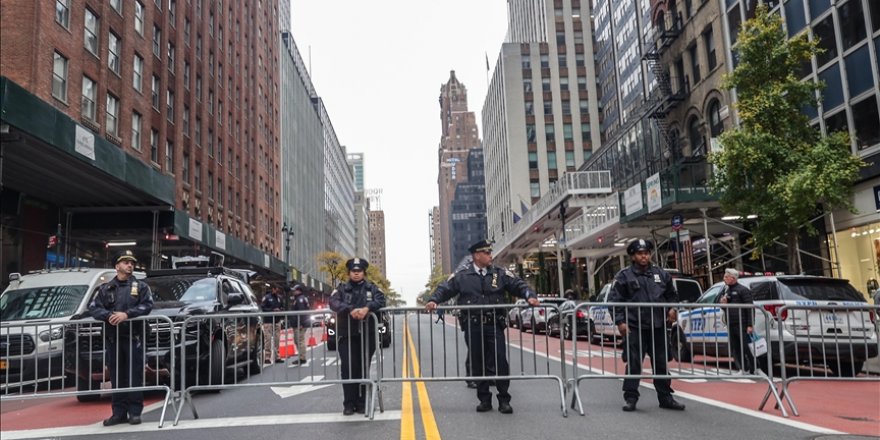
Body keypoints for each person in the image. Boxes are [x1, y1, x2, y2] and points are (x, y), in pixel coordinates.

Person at [425, 239, 539, 414]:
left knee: (500, 361)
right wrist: (433, 300)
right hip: (473, 325)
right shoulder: (462, 275)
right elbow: (445, 288)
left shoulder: (499, 273)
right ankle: (484, 399)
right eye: (486, 253)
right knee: (477, 363)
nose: (490, 256)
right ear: (477, 255)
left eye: (490, 252)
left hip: (494, 324)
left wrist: (529, 295)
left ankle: (504, 399)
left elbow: (518, 284)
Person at [612, 239, 685, 412]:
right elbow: (615, 301)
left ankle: (665, 397)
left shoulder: (661, 274)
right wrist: (620, 321)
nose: (644, 256)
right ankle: (631, 397)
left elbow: (672, 295)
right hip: (634, 326)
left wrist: (673, 309)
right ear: (633, 256)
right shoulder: (624, 276)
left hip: (658, 325)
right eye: (640, 253)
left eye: (646, 253)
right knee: (634, 362)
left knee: (661, 363)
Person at [89, 250, 154, 426]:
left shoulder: (141, 287)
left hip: (134, 338)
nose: (130, 265)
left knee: (134, 376)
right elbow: (93, 307)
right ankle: (118, 413)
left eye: (131, 262)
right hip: (113, 340)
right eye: (125, 262)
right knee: (117, 377)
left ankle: (134, 412)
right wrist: (108, 315)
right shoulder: (105, 288)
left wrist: (126, 315)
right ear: (117, 266)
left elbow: (148, 305)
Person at [329, 257, 386, 415]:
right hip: (347, 335)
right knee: (348, 369)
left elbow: (381, 300)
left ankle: (361, 403)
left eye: (359, 271)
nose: (356, 274)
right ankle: (348, 403)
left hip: (367, 335)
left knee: (362, 368)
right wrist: (350, 309)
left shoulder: (372, 288)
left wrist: (367, 308)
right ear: (349, 272)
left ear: (364, 272)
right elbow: (333, 302)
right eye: (353, 271)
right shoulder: (341, 289)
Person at [720, 268, 755, 374]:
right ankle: (742, 368)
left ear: (733, 278)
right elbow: (725, 307)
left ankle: (754, 367)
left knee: (746, 347)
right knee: (735, 347)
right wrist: (723, 304)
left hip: (742, 323)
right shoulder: (726, 290)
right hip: (731, 322)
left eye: (726, 277)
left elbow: (750, 307)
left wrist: (750, 324)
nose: (724, 278)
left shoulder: (743, 290)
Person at [261, 286, 285, 364]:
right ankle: (267, 357)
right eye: (276, 289)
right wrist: (272, 310)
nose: (277, 290)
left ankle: (277, 356)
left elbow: (282, 307)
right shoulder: (267, 298)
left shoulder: (280, 298)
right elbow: (263, 308)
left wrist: (280, 311)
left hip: (277, 321)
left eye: (278, 289)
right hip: (268, 321)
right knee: (267, 339)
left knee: (277, 339)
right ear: (273, 289)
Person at [288, 284, 311, 365]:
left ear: (299, 291)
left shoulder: (300, 299)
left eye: (295, 290)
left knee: (299, 340)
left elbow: (302, 312)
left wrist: (301, 323)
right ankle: (301, 356)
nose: (293, 291)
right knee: (297, 340)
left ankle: (302, 358)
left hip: (300, 324)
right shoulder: (300, 298)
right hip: (298, 323)